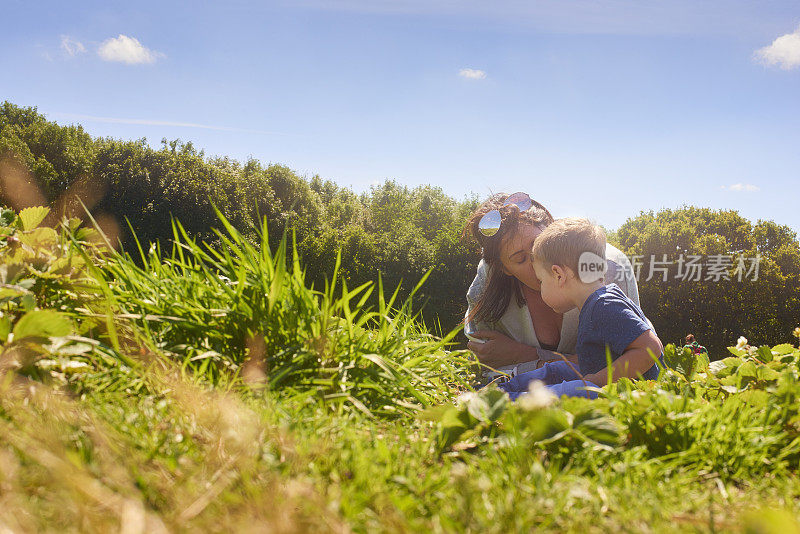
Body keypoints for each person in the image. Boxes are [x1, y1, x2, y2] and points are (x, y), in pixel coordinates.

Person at [463, 192, 643, 379]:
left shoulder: (607, 268)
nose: (536, 263)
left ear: (551, 229)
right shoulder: (486, 284)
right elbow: (488, 368)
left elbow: (629, 355)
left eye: (537, 245)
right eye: (521, 259)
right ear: (503, 268)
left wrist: (527, 357)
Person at [497, 217, 663, 399]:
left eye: (542, 281)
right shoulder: (597, 303)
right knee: (557, 368)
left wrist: (598, 381)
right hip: (599, 377)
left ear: (558, 275)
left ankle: (509, 401)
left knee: (571, 389)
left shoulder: (605, 306)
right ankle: (506, 388)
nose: (540, 287)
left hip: (632, 394)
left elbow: (651, 348)